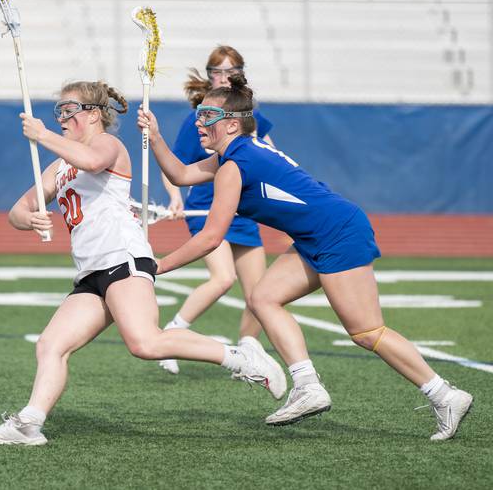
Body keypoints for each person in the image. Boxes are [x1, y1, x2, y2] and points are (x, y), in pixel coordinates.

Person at [137, 75, 473, 440]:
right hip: (317, 235)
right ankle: (308, 386)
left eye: (207, 116)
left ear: (232, 123)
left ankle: (444, 394)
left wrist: (157, 266)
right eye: (199, 114)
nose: (199, 123)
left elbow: (211, 237)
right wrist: (155, 136)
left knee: (366, 331)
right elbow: (182, 173)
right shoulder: (234, 156)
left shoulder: (234, 165)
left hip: (337, 234)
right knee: (263, 298)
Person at [0, 80, 286, 446]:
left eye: (67, 110)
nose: (60, 118)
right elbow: (18, 209)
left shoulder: (106, 144)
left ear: (92, 114)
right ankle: (29, 424)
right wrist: (29, 219)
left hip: (123, 257)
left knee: (145, 344)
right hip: (91, 272)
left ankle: (242, 358)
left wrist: (41, 135)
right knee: (50, 344)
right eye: (57, 112)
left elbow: (91, 161)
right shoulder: (60, 165)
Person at [159, 45, 275, 377]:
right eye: (217, 72)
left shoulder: (247, 112)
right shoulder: (199, 115)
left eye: (230, 72)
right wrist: (175, 198)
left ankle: (249, 353)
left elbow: (266, 148)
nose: (224, 78)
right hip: (207, 208)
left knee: (260, 292)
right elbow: (177, 168)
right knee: (223, 278)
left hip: (243, 208)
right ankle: (174, 332)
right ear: (209, 76)